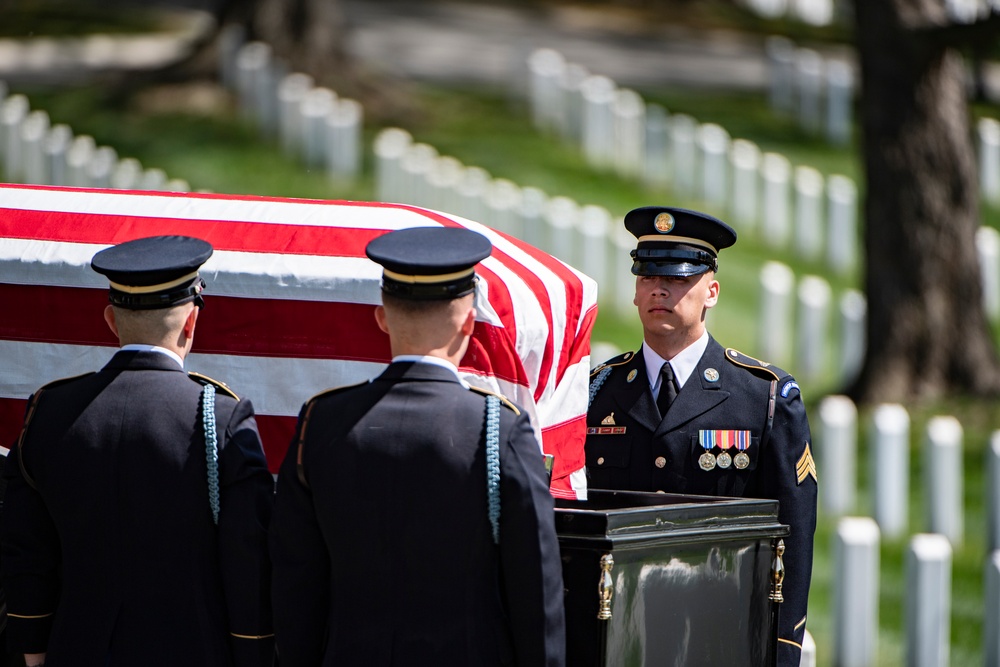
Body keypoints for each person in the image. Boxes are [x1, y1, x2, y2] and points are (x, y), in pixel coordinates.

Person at [269, 226, 565, 667]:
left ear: (382, 317)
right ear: (469, 321)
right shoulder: (496, 429)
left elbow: (296, 581)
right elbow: (535, 588)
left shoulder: (322, 422)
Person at [0, 236, 275, 667]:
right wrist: (253, 650)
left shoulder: (50, 413)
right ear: (190, 323)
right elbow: (248, 561)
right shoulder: (220, 419)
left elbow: (26, 548)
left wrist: (33, 650)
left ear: (111, 319)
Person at [585, 206, 817, 667]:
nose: (661, 288)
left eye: (678, 277)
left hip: (719, 633)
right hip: (617, 633)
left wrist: (781, 649)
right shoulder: (597, 391)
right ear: (634, 291)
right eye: (648, 275)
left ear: (711, 291)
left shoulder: (763, 397)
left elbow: (794, 533)